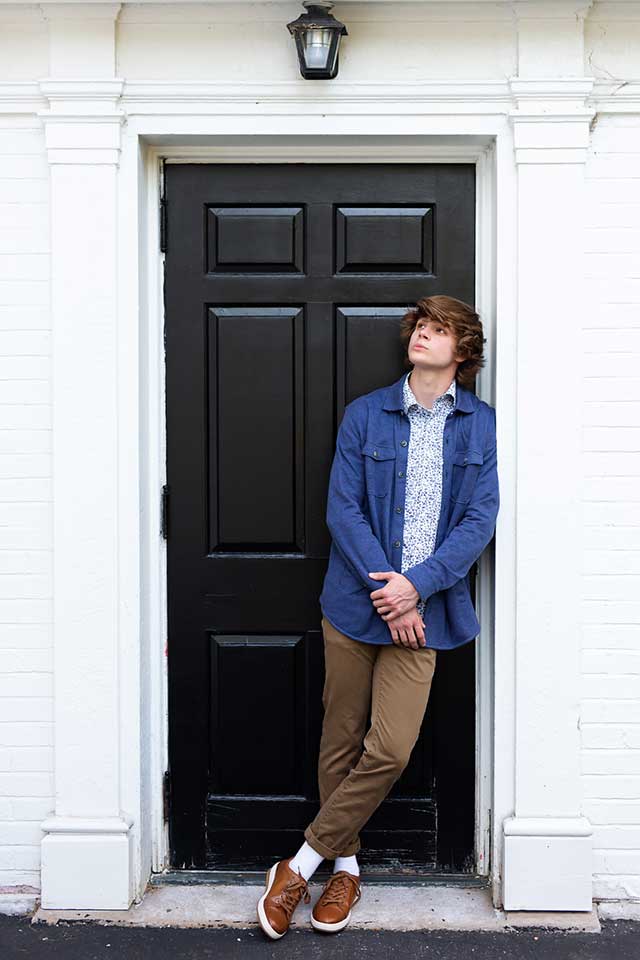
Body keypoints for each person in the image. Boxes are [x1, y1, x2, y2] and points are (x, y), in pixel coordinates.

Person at [257, 294, 500, 939]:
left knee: (388, 748)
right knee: (340, 740)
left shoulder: (480, 425)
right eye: (421, 325)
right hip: (354, 606)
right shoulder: (367, 415)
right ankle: (347, 870)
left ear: (464, 352)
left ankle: (300, 861)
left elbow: (479, 520)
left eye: (440, 328)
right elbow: (344, 511)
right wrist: (386, 591)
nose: (424, 333)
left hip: (426, 613)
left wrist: (415, 589)